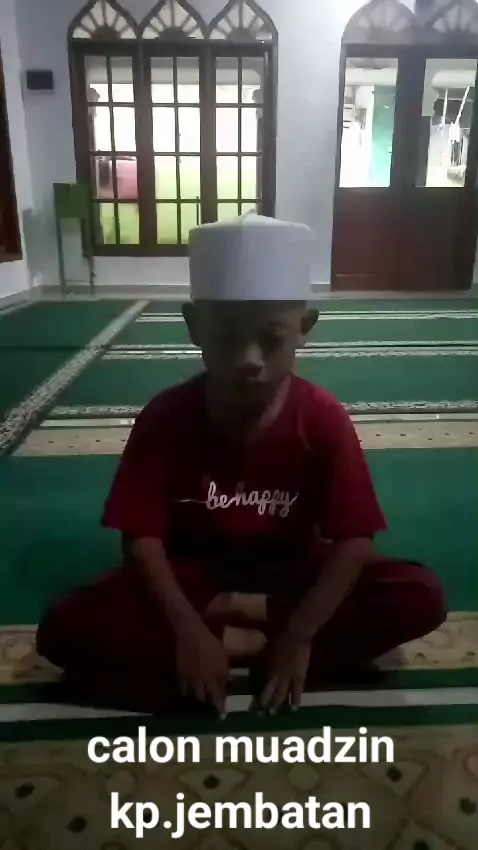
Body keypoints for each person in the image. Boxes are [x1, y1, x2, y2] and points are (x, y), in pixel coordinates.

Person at [36, 213, 447, 716]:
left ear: (304, 330)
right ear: (195, 328)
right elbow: (140, 538)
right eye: (229, 338)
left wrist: (299, 633)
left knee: (418, 595)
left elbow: (355, 539)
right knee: (64, 627)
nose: (250, 359)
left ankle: (242, 640)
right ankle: (239, 639)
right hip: (196, 576)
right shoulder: (166, 417)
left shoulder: (321, 418)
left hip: (291, 570)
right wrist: (188, 628)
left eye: (270, 340)